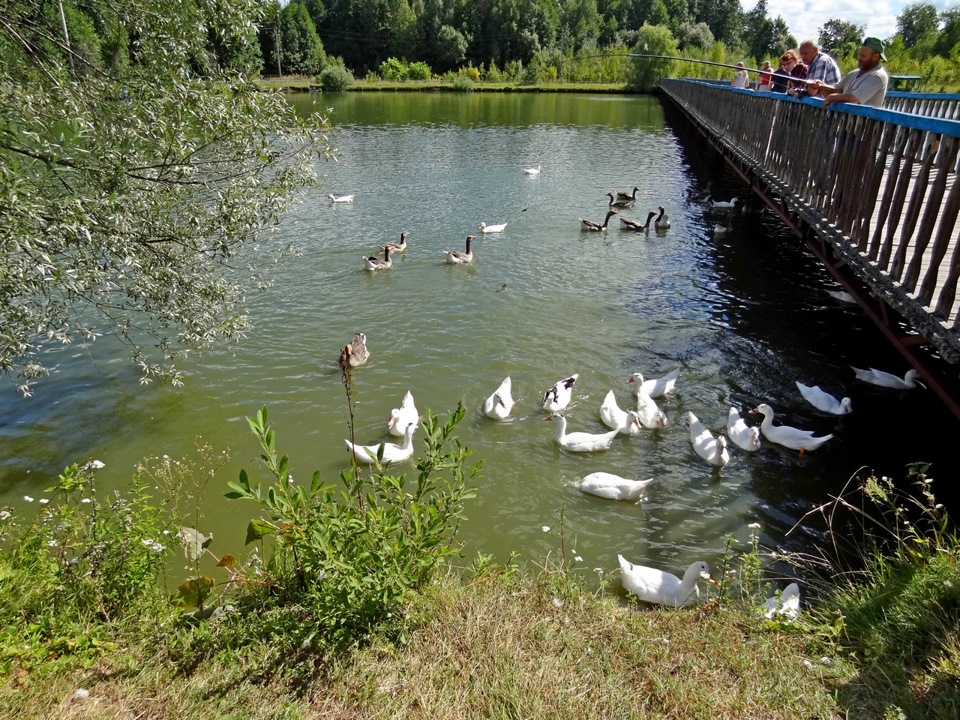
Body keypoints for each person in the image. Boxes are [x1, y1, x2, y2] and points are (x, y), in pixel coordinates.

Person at [812, 37, 889, 108]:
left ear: (875, 57)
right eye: (859, 54)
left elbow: (854, 99)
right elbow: (836, 90)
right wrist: (820, 86)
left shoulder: (878, 76)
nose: (859, 58)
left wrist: (832, 97)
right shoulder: (853, 73)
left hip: (863, 122)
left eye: (863, 56)